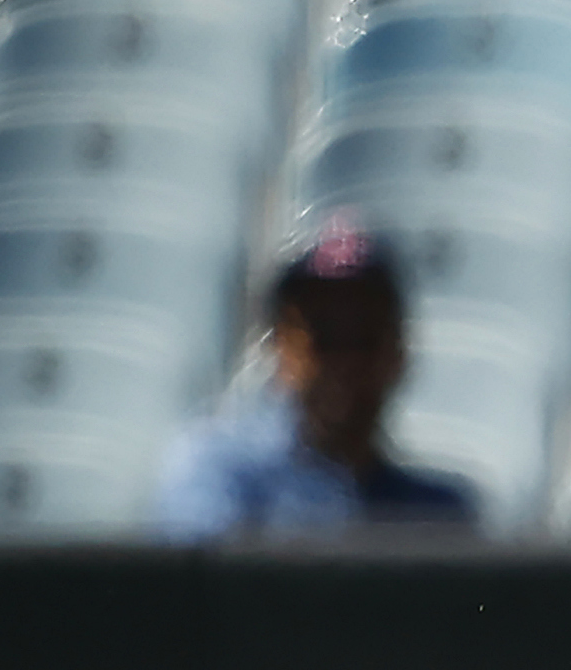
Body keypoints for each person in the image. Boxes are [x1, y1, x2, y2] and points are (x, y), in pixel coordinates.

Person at [151, 219, 477, 544]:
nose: (345, 361)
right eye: (324, 337)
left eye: (364, 336)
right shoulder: (221, 474)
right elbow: (203, 587)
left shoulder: (439, 514)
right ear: (279, 347)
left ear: (399, 353)